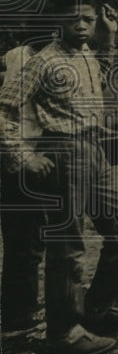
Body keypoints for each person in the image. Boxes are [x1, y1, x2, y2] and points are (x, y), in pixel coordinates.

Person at [0, 0, 118, 354]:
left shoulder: (86, 53)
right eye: (72, 19)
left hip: (93, 150)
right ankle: (63, 331)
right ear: (57, 22)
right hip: (64, 152)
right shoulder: (42, 61)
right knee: (69, 244)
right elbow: (4, 110)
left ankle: (96, 310)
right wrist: (22, 158)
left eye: (87, 19)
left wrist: (109, 37)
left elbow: (100, 81)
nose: (80, 26)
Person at [0, 36, 44, 336]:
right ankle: (17, 316)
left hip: (24, 152)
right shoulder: (27, 59)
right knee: (24, 240)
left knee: (28, 238)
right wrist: (19, 159)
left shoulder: (19, 55)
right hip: (19, 154)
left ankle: (21, 308)